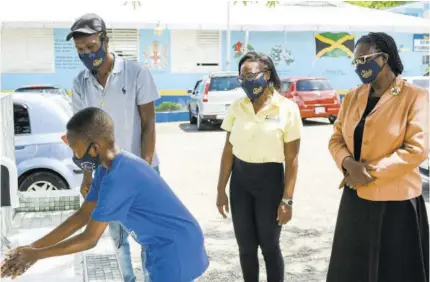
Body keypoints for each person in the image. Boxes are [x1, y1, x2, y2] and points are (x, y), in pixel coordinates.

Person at [0, 107, 209, 282]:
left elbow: (89, 239)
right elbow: (82, 216)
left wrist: (37, 255)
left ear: (95, 148)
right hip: (158, 245)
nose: (74, 157)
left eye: (75, 150)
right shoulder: (106, 168)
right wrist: (32, 248)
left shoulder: (119, 177)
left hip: (176, 248)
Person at [327, 32, 429, 282]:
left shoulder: (415, 96)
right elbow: (336, 139)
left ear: (384, 58)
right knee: (354, 271)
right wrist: (348, 164)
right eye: (356, 62)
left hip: (397, 202)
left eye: (365, 59)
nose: (359, 66)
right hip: (356, 197)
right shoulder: (353, 96)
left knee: (395, 271)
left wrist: (367, 173)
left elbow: (417, 149)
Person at [68, 13, 160, 282]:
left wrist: (144, 169)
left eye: (91, 46)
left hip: (142, 169)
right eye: (80, 50)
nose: (87, 54)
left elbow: (149, 123)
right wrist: (87, 175)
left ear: (105, 40)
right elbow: (84, 135)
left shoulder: (135, 73)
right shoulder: (80, 83)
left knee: (147, 236)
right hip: (107, 174)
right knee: (118, 239)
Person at [216, 51, 302, 282]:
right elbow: (228, 151)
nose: (247, 82)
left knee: (270, 247)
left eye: (251, 75)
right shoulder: (238, 107)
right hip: (240, 184)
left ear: (267, 75)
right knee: (246, 249)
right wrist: (220, 190)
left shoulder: (287, 108)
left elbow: (292, 159)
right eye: (242, 78)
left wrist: (287, 200)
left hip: (270, 184)